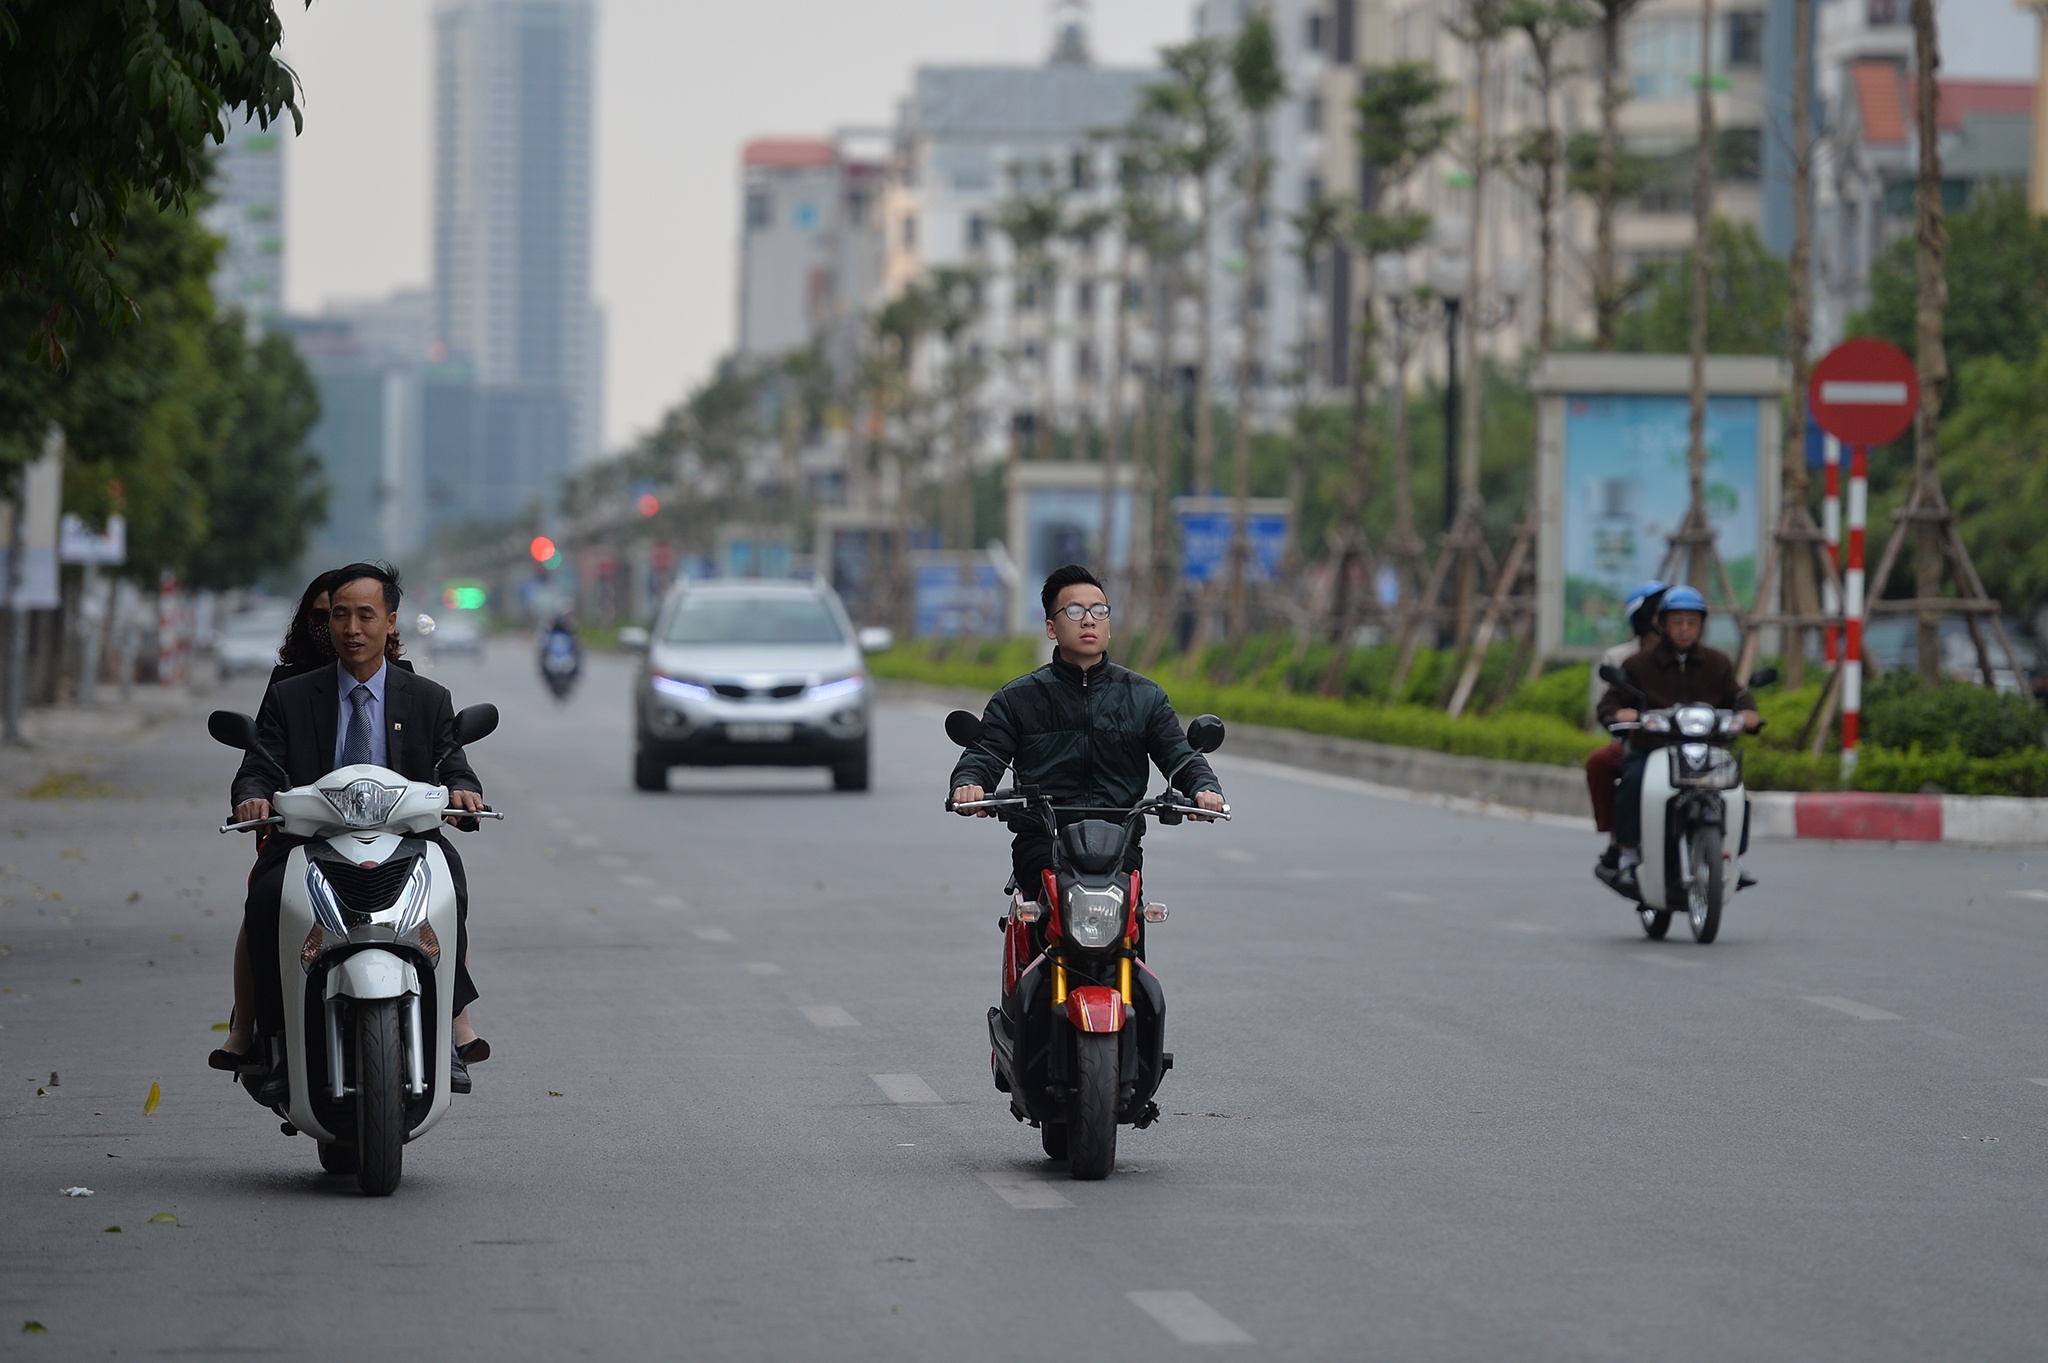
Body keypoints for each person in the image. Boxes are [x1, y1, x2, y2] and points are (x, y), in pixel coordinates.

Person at [228, 564, 492, 1096]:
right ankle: (273, 1038)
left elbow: (452, 761)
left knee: (452, 884)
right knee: (265, 898)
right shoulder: (292, 696)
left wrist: (464, 791)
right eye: (341, 616)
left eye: (365, 616)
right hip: (309, 840)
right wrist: (251, 798)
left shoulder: (427, 698)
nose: (352, 628)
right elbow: (259, 764)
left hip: (402, 837)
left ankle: (449, 1031)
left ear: (391, 623)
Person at [948, 565, 1225, 908]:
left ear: (1109, 624)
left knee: (1130, 926)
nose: (1089, 620)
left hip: (1119, 844)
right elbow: (984, 754)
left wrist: (1203, 788)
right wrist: (969, 782)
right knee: (1043, 913)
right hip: (1043, 843)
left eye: (1099, 610)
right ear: (1051, 627)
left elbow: (1179, 754)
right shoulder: (1017, 699)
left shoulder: (1144, 697)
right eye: (1075, 611)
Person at [1595, 585, 1759, 890]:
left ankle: (1733, 857)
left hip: (1707, 749)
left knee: (1737, 790)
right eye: (1677, 621)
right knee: (1632, 781)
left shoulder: (1718, 663)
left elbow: (1738, 698)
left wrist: (1748, 714)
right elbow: (1609, 703)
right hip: (1653, 749)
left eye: (1692, 622)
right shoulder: (1637, 665)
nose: (1684, 629)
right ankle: (1629, 856)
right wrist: (1619, 714)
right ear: (1663, 624)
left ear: (1701, 625)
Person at [1587, 581, 1667, 872]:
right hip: (1638, 742)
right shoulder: (1623, 661)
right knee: (1604, 762)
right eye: (1665, 613)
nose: (1678, 625)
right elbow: (1606, 706)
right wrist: (1620, 716)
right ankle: (1618, 839)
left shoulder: (1699, 658)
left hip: (1687, 744)